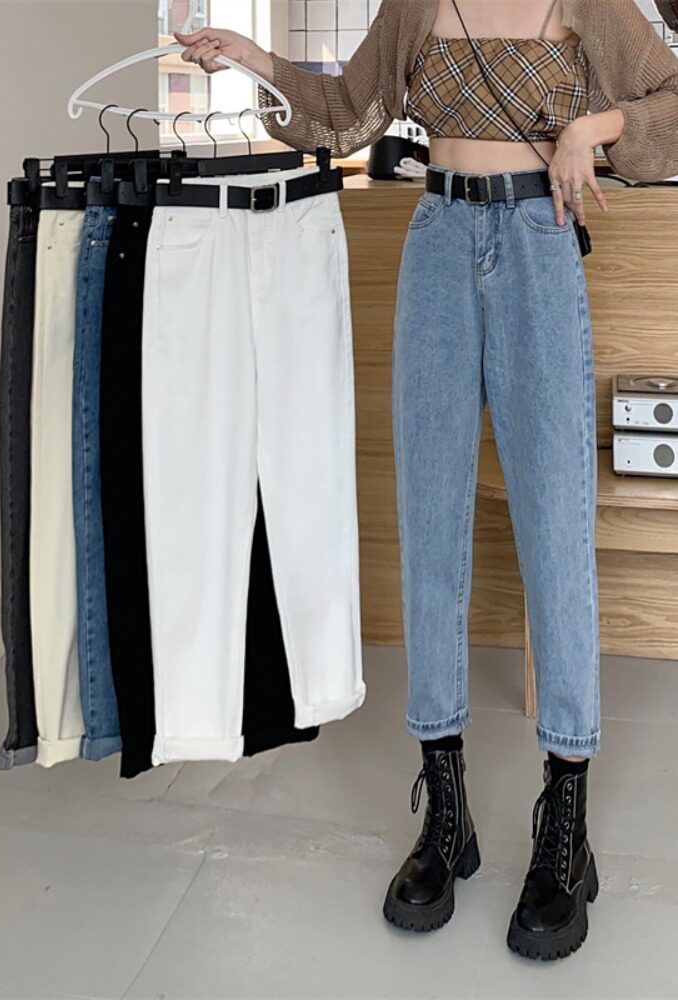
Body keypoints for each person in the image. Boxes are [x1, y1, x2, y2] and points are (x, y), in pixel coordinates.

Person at [175, 0, 678, 962]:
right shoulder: (416, 3)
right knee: (429, 524)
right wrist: (253, 58)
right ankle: (447, 813)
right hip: (439, 244)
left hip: (538, 242)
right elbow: (347, 113)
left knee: (557, 530)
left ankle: (566, 825)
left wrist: (596, 127)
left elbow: (673, 99)